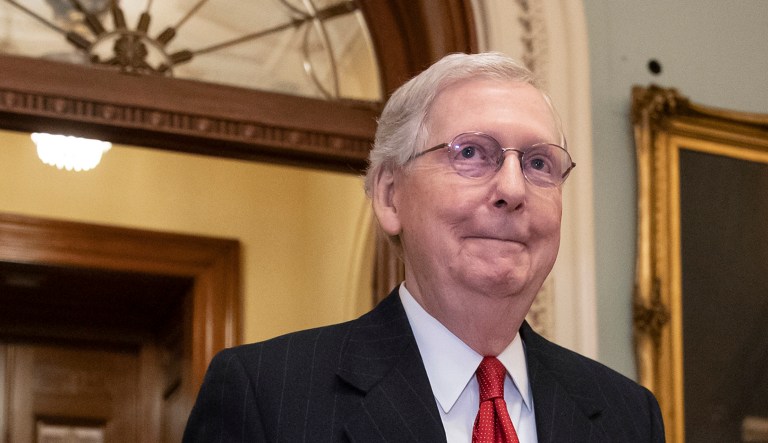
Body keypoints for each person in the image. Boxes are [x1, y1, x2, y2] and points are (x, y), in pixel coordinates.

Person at [182, 52, 665, 442]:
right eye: (472, 153)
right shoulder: (268, 396)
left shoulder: (627, 417)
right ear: (391, 196)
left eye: (539, 162)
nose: (514, 189)